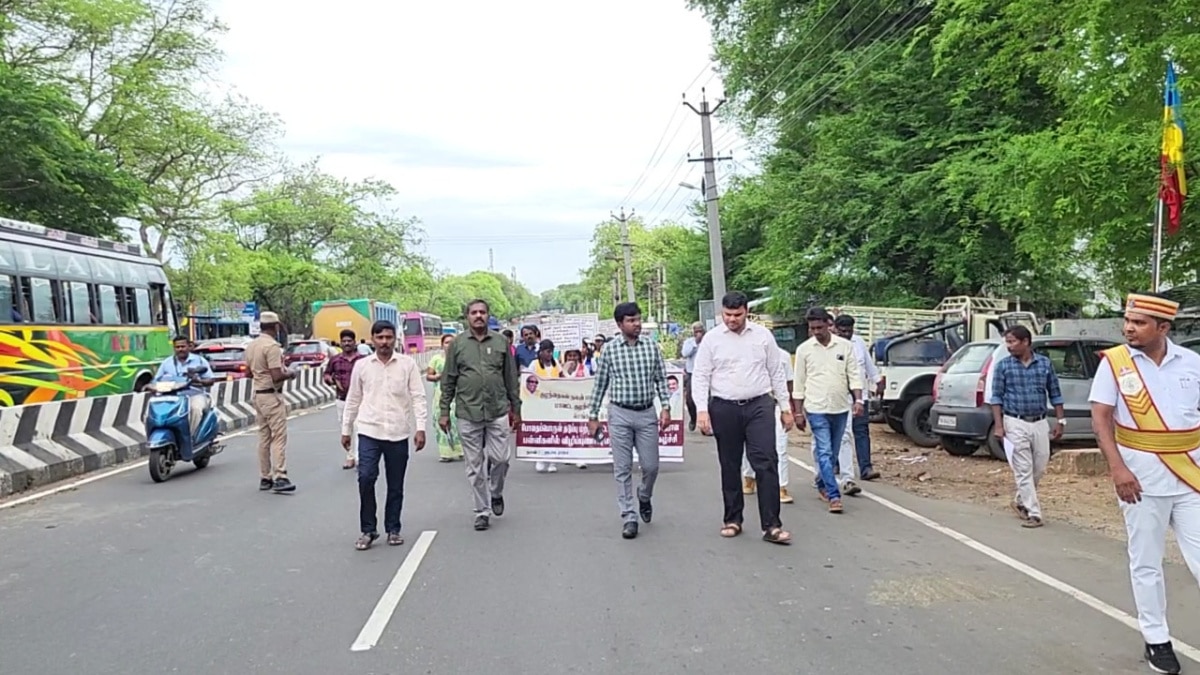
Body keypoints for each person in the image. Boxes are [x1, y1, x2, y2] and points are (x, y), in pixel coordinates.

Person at [1089, 293, 1200, 675]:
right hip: (1139, 480)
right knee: (1147, 563)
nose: (1128, 328)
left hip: (1191, 478)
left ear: (1163, 327)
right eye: (1127, 320)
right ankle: (1157, 640)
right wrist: (1117, 468)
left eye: (1138, 322)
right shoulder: (1115, 364)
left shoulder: (1192, 363)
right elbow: (1101, 419)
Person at [692, 291, 794, 544]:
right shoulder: (712, 340)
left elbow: (776, 372)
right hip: (724, 407)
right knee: (730, 463)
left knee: (766, 461)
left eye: (737, 315)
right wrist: (702, 410)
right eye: (727, 315)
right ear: (721, 313)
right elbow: (701, 375)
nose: (732, 319)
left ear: (746, 311)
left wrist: (785, 407)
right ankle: (732, 519)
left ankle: (771, 525)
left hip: (759, 404)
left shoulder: (762, 336)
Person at [587, 302, 671, 540]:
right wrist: (592, 416)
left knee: (651, 466)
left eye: (638, 319)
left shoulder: (651, 347)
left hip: (646, 414)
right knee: (622, 468)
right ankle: (629, 515)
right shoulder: (610, 351)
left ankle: (644, 495)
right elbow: (600, 385)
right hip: (620, 414)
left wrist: (665, 407)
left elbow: (661, 379)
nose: (637, 324)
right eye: (631, 320)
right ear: (620, 324)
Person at [341, 320, 427, 551]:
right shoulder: (362, 365)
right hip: (369, 430)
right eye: (380, 338)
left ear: (395, 339)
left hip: (398, 432)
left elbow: (418, 397)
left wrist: (421, 428)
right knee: (366, 478)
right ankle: (368, 529)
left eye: (388, 337)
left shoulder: (407, 365)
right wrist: (346, 429)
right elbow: (353, 398)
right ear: (372, 340)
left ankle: (393, 528)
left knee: (395, 484)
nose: (384, 342)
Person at [439, 299, 522, 532]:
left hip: (497, 410)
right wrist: (444, 411)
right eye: (474, 312)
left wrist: (516, 409)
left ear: (488, 315)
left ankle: (496, 492)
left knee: (502, 459)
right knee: (474, 466)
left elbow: (510, 378)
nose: (478, 316)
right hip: (468, 411)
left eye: (482, 312)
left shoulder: (500, 342)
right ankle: (482, 511)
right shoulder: (457, 344)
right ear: (467, 316)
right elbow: (449, 380)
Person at [989, 325, 1065, 529]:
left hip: (1039, 421)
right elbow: (995, 397)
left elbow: (1055, 393)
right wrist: (999, 425)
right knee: (1023, 468)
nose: (1009, 346)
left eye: (1013, 341)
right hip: (1014, 421)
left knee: (1039, 465)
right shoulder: (1004, 366)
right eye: (1007, 342)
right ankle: (1034, 512)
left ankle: (1021, 500)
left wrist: (1060, 420)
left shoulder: (1044, 364)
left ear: (1026, 342)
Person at [794, 307, 863, 514]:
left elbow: (854, 375)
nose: (816, 331)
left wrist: (858, 399)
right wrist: (798, 412)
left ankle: (821, 481)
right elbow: (799, 383)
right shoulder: (804, 350)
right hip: (816, 408)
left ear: (828, 324)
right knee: (824, 451)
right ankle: (834, 496)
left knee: (832, 453)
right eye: (812, 327)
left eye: (819, 326)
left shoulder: (844, 346)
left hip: (840, 407)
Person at [244, 312, 297, 494]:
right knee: (279, 437)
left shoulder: (251, 346)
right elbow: (276, 376)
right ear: (276, 326)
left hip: (258, 395)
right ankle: (280, 476)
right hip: (271, 396)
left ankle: (264, 477)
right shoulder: (272, 346)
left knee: (264, 438)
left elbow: (248, 373)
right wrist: (290, 373)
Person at [741, 344, 796, 504]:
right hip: (753, 405)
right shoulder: (747, 354)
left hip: (777, 404)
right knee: (750, 445)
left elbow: (789, 383)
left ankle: (781, 486)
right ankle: (749, 476)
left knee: (781, 447)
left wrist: (790, 408)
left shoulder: (783, 356)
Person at [832, 315, 883, 484]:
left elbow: (869, 366)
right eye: (843, 331)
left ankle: (866, 468)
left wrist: (877, 382)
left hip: (860, 397)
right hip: (838, 397)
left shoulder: (859, 343)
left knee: (861, 432)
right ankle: (837, 464)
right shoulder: (831, 345)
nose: (846, 334)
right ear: (836, 329)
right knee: (839, 433)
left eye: (849, 331)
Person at [153, 335, 217, 435]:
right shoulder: (166, 363)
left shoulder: (199, 361)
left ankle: (190, 437)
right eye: (177, 347)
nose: (180, 349)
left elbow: (211, 380)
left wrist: (199, 381)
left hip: (195, 394)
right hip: (173, 397)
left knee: (195, 408)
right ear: (174, 348)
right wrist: (149, 386)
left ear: (189, 346)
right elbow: (156, 380)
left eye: (183, 346)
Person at [325, 329, 364, 470]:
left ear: (355, 343)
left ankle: (360, 458)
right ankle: (350, 456)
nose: (347, 343)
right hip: (342, 399)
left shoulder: (362, 360)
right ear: (340, 343)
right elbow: (327, 375)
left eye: (349, 341)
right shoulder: (335, 360)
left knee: (359, 427)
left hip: (361, 400)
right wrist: (332, 381)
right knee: (346, 428)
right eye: (344, 341)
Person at [427, 333, 463, 463]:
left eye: (452, 342)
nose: (449, 345)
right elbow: (428, 376)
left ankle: (459, 450)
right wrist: (438, 376)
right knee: (441, 421)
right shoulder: (436, 359)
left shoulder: (461, 359)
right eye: (447, 342)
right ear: (442, 345)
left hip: (457, 394)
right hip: (440, 394)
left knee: (455, 421)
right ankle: (445, 452)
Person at [680, 322, 705, 431]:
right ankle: (693, 418)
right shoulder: (689, 342)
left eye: (700, 331)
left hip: (705, 374)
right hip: (691, 373)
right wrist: (695, 343)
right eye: (696, 331)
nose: (698, 333)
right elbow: (685, 354)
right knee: (690, 399)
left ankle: (706, 423)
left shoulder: (708, 341)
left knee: (707, 399)